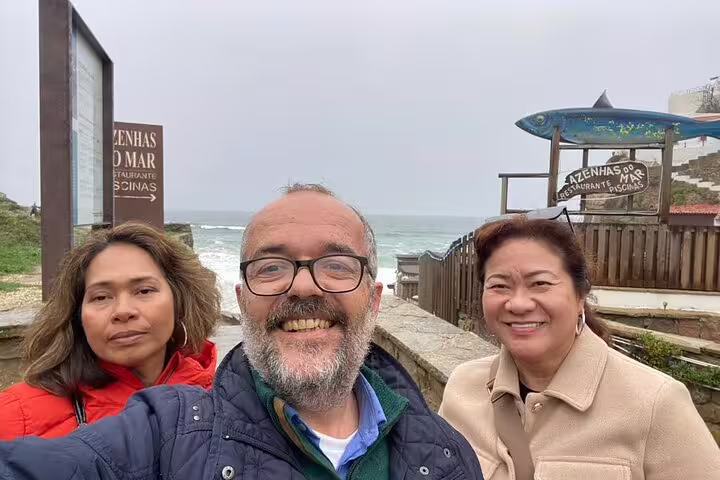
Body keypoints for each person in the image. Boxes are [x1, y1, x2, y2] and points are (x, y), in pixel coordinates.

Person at [0, 184, 484, 480]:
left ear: (375, 300)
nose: (301, 285)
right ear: (242, 298)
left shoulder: (446, 453)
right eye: (271, 267)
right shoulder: (168, 428)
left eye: (337, 265)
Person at [438, 216, 720, 480]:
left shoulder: (655, 403)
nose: (518, 304)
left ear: (580, 295)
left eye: (540, 283)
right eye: (499, 286)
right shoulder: (464, 388)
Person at [0, 222, 220, 440]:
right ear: (77, 315)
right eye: (101, 297)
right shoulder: (14, 418)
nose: (123, 311)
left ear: (179, 300)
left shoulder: (224, 401)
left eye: (144, 290)